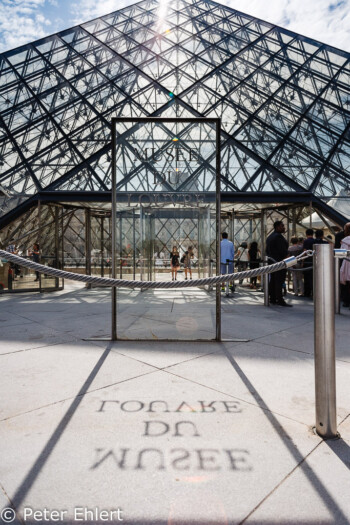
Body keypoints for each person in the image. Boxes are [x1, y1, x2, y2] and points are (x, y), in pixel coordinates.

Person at [266, 220, 292, 307]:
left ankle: (273, 298)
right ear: (277, 227)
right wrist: (287, 255)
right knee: (279, 281)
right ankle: (279, 299)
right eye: (282, 226)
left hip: (272, 262)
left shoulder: (270, 237)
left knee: (273, 280)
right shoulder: (278, 237)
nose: (284, 227)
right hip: (279, 262)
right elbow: (282, 251)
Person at [302, 229, 315, 297]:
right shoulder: (315, 241)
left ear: (306, 234)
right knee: (313, 278)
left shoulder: (306, 241)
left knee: (307, 278)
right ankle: (313, 292)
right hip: (314, 262)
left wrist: (303, 262)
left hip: (307, 261)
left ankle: (307, 293)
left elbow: (305, 252)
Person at [340, 222, 350, 307]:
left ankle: (347, 301)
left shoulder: (345, 240)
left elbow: (341, 254)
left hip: (347, 262)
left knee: (348, 283)